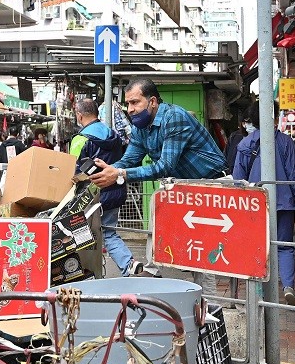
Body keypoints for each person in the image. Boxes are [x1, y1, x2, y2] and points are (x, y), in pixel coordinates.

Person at [90, 79, 226, 288]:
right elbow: (129, 160)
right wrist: (107, 170)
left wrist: (119, 173)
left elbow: (164, 167)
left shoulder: (174, 117)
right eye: (128, 104)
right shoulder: (140, 127)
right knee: (159, 205)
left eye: (135, 103)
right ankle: (152, 272)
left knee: (201, 254)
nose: (130, 109)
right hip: (182, 187)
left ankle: (211, 308)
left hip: (211, 187)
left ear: (152, 101)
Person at [233, 102, 295, 305]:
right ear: (275, 116)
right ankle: (287, 287)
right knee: (285, 246)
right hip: (283, 202)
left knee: (257, 246)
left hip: (254, 205)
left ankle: (259, 291)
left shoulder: (245, 144)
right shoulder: (285, 142)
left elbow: (237, 179)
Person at [70, 99, 135, 275]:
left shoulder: (80, 139)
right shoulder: (112, 134)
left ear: (79, 115)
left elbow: (73, 171)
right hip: (115, 191)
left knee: (80, 235)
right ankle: (129, 265)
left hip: (92, 196)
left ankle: (84, 273)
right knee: (108, 232)